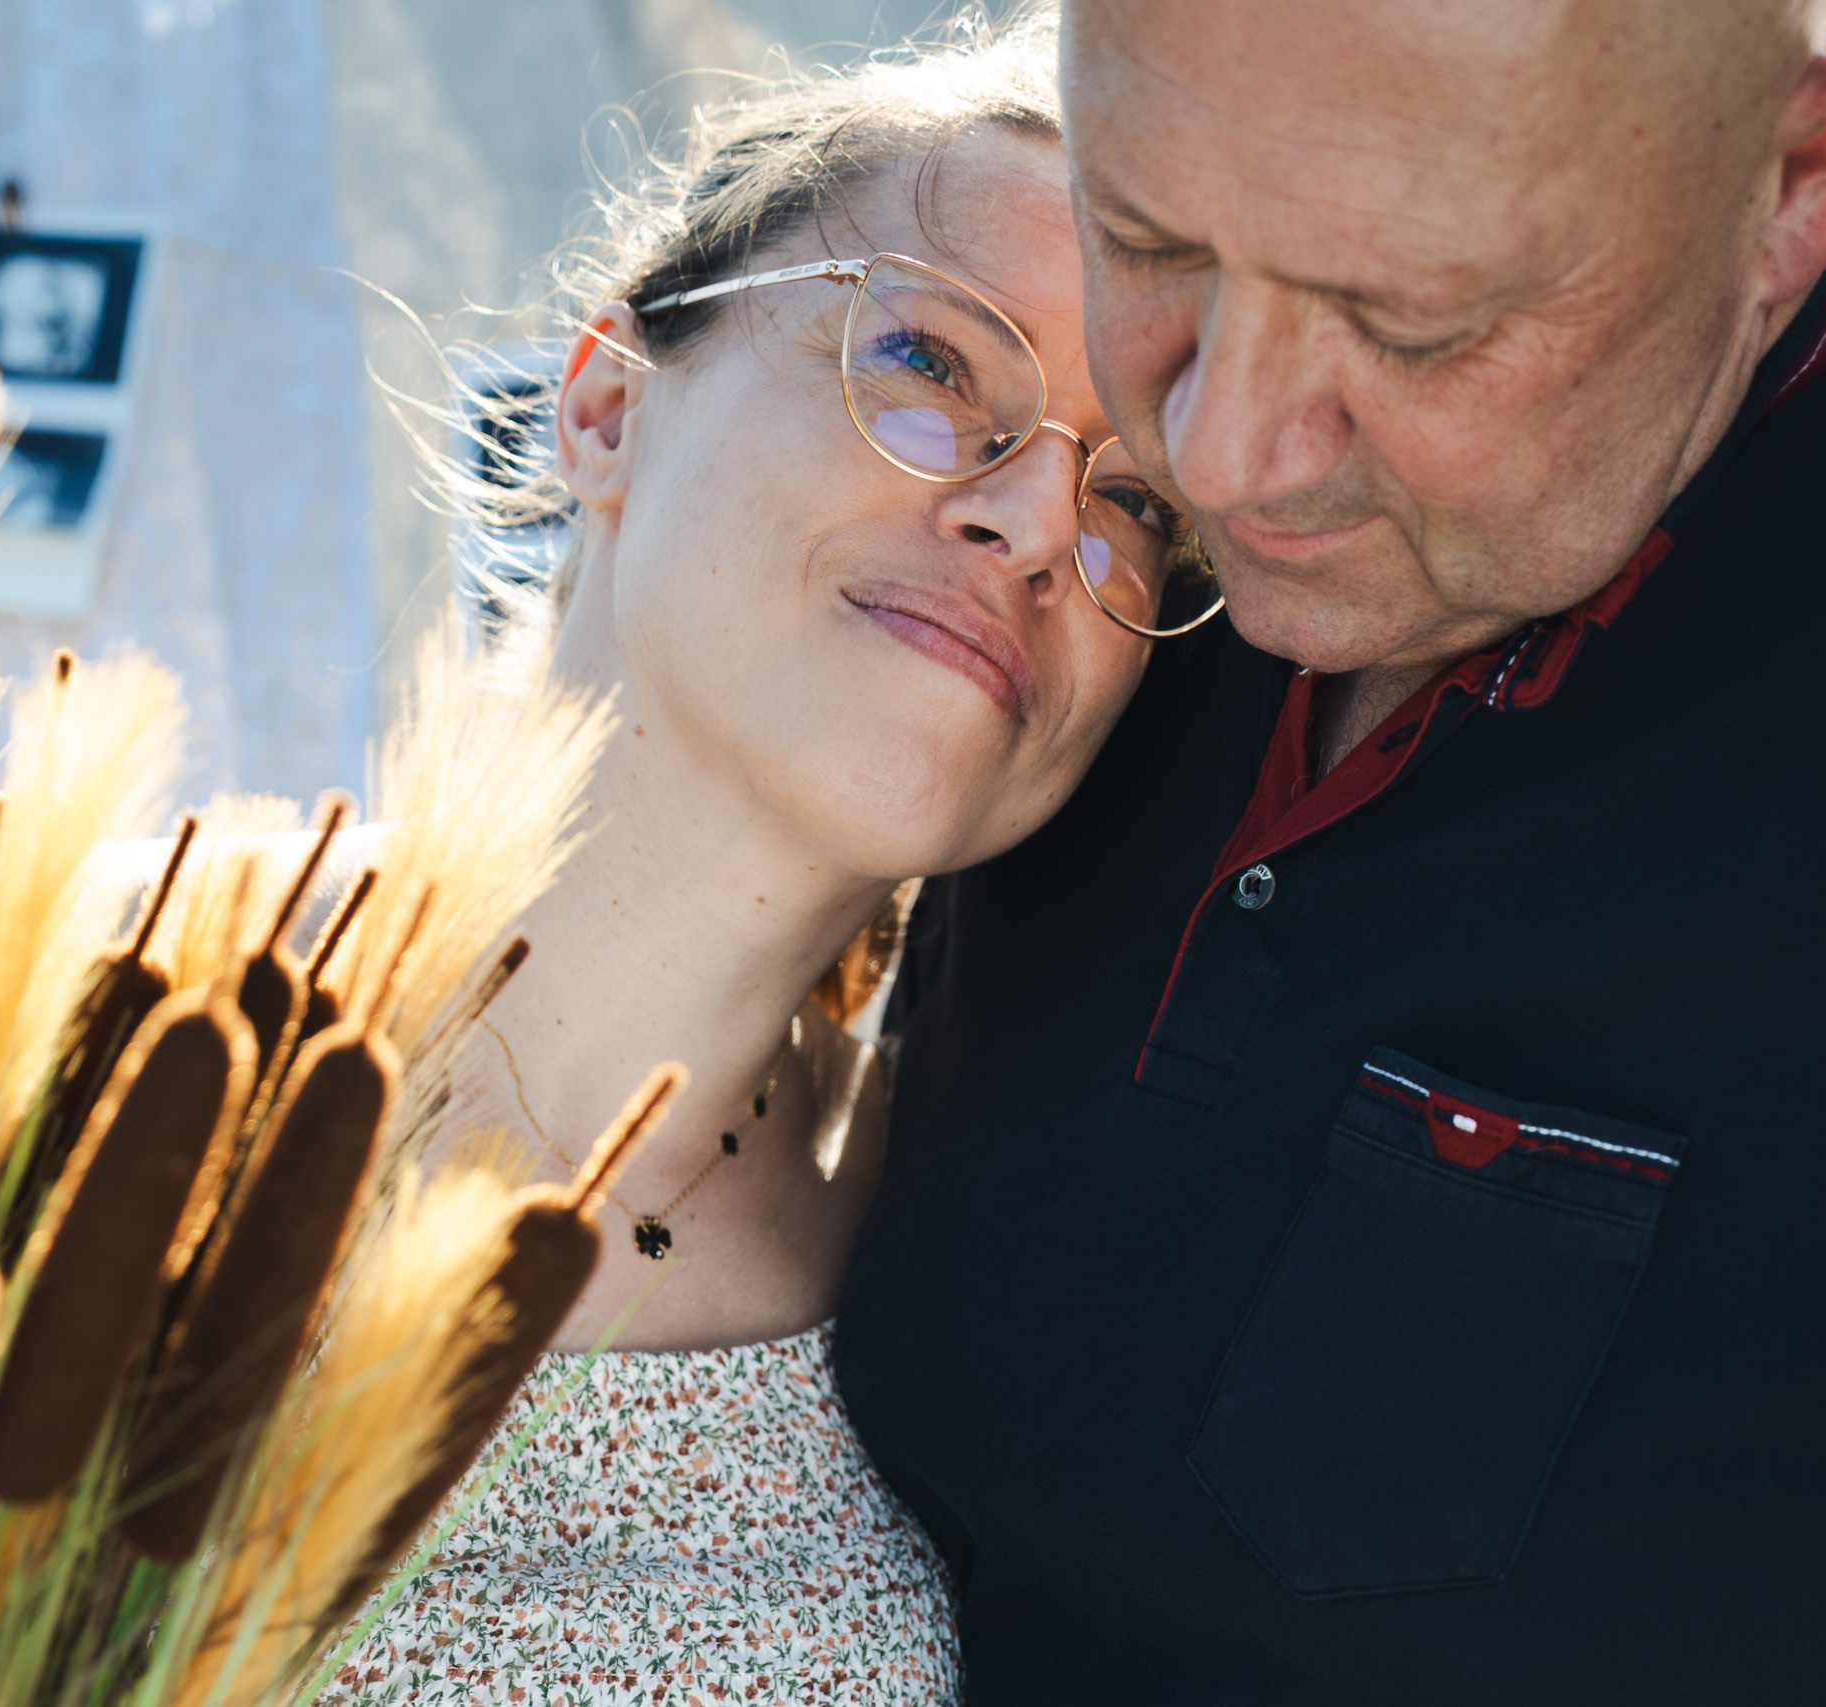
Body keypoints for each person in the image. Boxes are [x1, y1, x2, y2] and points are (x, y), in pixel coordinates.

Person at [837, 1, 1826, 1702]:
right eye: (1147, 237)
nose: (1221, 451)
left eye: (1415, 328)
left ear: (1809, 163)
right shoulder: (1049, 452)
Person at [327, 15, 1213, 1704]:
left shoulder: (992, 1294)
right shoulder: (20, 992)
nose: (1038, 525)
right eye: (937, 368)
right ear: (601, 406)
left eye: (1135, 509)